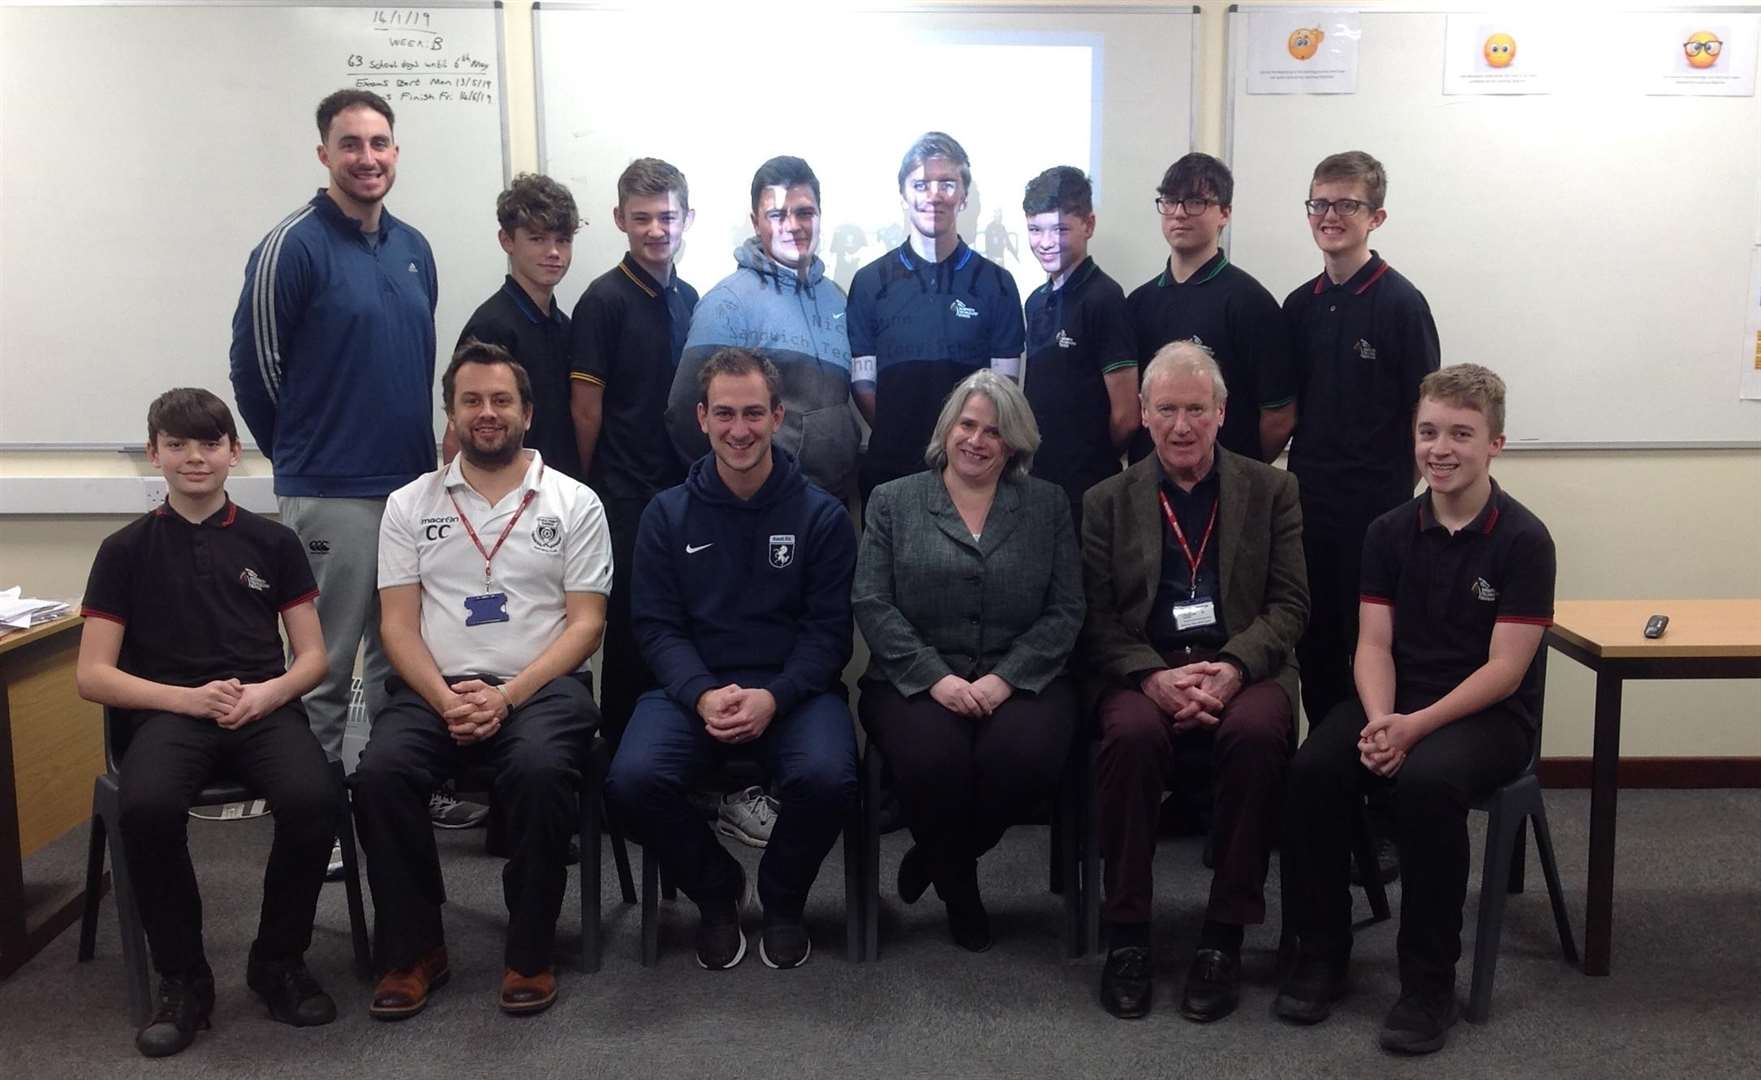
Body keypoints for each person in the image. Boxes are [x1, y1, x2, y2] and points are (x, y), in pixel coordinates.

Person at [1276, 365, 1552, 1056]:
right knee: (1313, 769)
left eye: (1461, 434)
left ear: (1495, 443)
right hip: (1392, 703)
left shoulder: (1523, 540)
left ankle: (1427, 985)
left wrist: (1413, 728)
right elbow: (1371, 644)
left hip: (1485, 716)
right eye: (1428, 432)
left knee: (1427, 784)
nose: (1440, 449)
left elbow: (1505, 670)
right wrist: (1378, 720)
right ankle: (1321, 953)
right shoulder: (1388, 531)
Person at [352, 342, 612, 1019]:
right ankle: (414, 951)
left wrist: (505, 696)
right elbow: (398, 627)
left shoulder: (574, 502)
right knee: (381, 772)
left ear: (527, 412)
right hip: (436, 685)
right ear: (452, 414)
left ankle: (529, 952)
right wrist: (444, 697)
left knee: (536, 769)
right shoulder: (409, 503)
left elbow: (585, 626)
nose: (486, 413)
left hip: (543, 687)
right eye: (471, 401)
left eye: (501, 400)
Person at [76, 389, 338, 1058]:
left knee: (314, 799)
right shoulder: (124, 551)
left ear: (233, 452)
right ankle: (184, 978)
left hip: (261, 709)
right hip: (170, 714)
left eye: (210, 443)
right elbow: (94, 675)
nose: (195, 457)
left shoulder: (272, 541)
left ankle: (277, 962)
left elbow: (313, 659)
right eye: (178, 444)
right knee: (148, 807)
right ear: (156, 453)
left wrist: (268, 693)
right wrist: (185, 699)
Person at [227, 89, 445, 845]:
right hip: (331, 494)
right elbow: (255, 371)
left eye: (380, 142)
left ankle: (388, 819)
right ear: (324, 154)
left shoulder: (415, 247)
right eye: (350, 144)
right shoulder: (292, 246)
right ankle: (313, 830)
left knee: (400, 664)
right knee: (321, 669)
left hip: (413, 494)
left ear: (395, 151)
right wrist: (305, 451)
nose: (367, 157)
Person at [607, 348, 858, 972]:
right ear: (701, 418)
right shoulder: (666, 515)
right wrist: (699, 693)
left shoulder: (821, 515)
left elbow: (829, 635)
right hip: (692, 694)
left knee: (831, 777)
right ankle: (716, 892)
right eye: (724, 413)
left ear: (778, 417)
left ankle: (782, 896)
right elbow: (656, 628)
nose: (738, 429)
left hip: (792, 693)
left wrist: (775, 696)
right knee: (631, 781)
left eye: (753, 413)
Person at [1080, 341, 1308, 1023]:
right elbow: (1091, 619)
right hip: (1140, 664)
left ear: (1221, 413)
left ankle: (1223, 935)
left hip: (1243, 663)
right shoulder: (1105, 500)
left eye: (1196, 410)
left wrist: (1234, 667)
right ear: (1143, 415)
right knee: (1126, 736)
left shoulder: (1271, 490)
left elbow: (1291, 606)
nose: (1182, 426)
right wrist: (1152, 677)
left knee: (1259, 733)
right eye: (1168, 410)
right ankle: (1126, 934)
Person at [854, 371, 1083, 952]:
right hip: (912, 679)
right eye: (967, 424)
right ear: (947, 429)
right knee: (935, 758)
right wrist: (938, 679)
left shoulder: (1047, 504)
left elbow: (1065, 610)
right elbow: (872, 604)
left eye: (994, 432)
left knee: (1027, 757)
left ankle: (936, 857)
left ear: (1014, 444)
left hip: (1023, 677)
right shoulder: (893, 500)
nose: (977, 441)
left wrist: (1006, 680)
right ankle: (961, 892)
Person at [1284, 150, 1441, 732]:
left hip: (1379, 513)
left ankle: (1376, 779)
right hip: (1308, 508)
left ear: (1375, 217)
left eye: (1346, 204)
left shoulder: (1402, 304)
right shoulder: (1299, 307)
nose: (1331, 216)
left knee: (1373, 651)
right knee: (1315, 645)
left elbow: (1425, 418)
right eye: (1319, 204)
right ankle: (1328, 785)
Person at [569, 158, 698, 755]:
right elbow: (586, 409)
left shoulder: (690, 297)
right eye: (642, 217)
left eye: (667, 216)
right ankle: (621, 760)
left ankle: (669, 756)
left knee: (679, 627)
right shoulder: (604, 300)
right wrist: (593, 488)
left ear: (686, 219)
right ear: (621, 219)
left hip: (683, 493)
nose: (655, 229)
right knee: (626, 628)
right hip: (621, 494)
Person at [667, 155, 859, 504]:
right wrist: (728, 496)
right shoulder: (727, 303)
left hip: (832, 504)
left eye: (804, 212)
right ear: (756, 222)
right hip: (759, 506)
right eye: (776, 215)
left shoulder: (838, 300)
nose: (793, 225)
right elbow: (685, 414)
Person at [847, 132, 1026, 499]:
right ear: (903, 195)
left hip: (974, 475)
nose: (934, 195)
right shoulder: (868, 283)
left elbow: (1004, 392)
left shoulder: (999, 284)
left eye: (947, 183)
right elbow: (863, 384)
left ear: (963, 196)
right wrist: (901, 432)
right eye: (920, 184)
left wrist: (963, 447)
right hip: (891, 474)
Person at [1125, 153, 1295, 465]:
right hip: (1147, 485)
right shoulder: (1138, 303)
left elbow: (1279, 415)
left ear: (1225, 213)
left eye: (1194, 202)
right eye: (1169, 201)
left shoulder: (1251, 302)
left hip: (1226, 488)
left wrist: (1241, 472)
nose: (1178, 213)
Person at [1019, 166, 1138, 530]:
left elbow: (1127, 414)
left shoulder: (1104, 297)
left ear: (1089, 224)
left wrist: (1090, 459)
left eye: (1060, 229)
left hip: (1088, 487)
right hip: (1038, 481)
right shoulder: (1035, 301)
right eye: (1035, 230)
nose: (1046, 242)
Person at [456, 173, 583, 482]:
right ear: (507, 241)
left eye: (563, 240)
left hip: (559, 492)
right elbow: (461, 428)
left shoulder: (565, 326)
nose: (553, 252)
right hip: (504, 492)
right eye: (537, 238)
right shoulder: (490, 326)